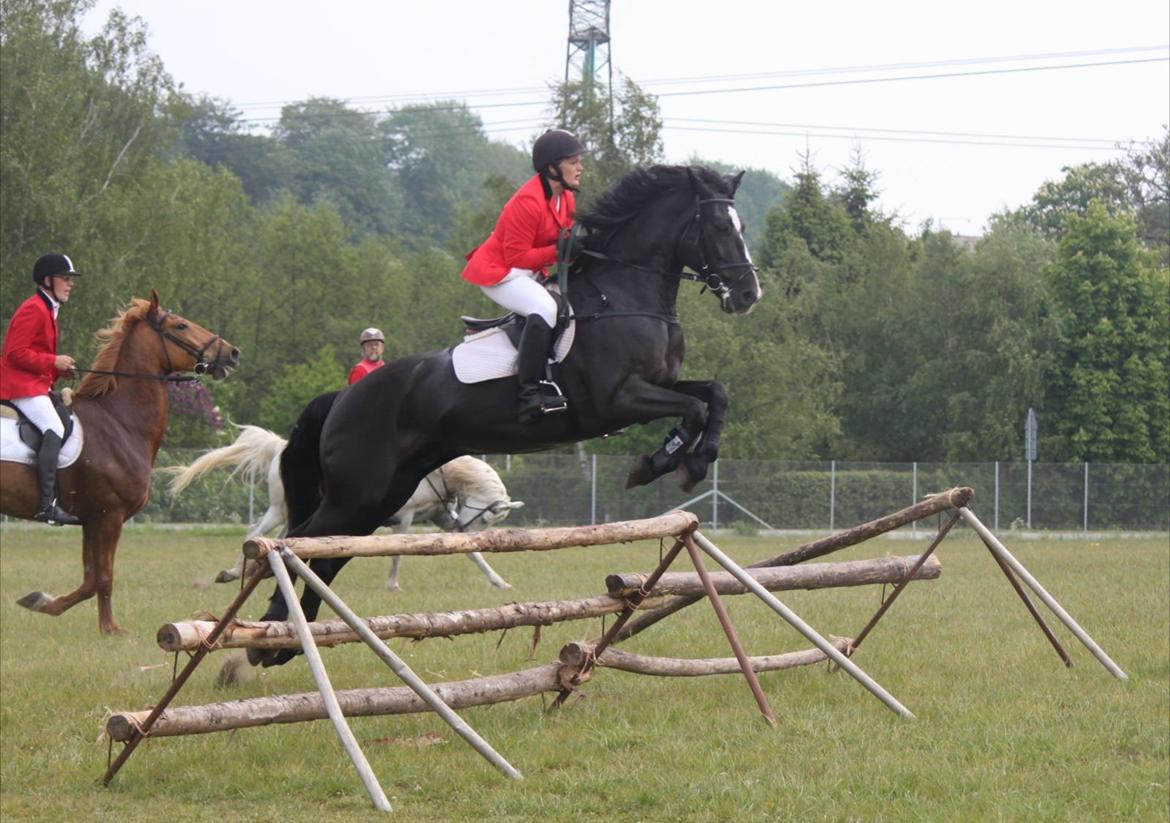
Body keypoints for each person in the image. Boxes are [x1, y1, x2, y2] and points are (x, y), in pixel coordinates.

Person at [461, 128, 585, 422]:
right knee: (544, 309)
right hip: (502, 273)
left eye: (580, 161)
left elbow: (564, 239)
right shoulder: (526, 202)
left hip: (529, 270)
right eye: (573, 161)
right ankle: (528, 394)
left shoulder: (565, 197)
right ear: (552, 168)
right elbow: (517, 256)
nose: (580, 167)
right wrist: (558, 251)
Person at [0, 253, 82, 525]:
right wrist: (52, 360)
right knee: (54, 429)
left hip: (33, 384)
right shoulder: (34, 308)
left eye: (70, 280)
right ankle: (46, 505)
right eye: (65, 278)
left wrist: (58, 368)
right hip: (19, 387)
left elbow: (34, 355)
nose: (70, 284)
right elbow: (14, 353)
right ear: (48, 280)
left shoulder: (48, 309)